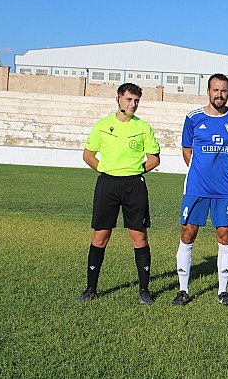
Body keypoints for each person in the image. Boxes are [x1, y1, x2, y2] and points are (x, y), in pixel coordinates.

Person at [78, 83, 161, 304]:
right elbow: (88, 155)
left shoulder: (143, 127)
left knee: (139, 236)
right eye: (128, 100)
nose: (132, 104)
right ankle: (90, 288)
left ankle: (144, 290)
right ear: (118, 99)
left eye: (136, 101)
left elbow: (154, 159)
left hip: (134, 186)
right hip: (107, 185)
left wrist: (134, 172)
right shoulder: (103, 125)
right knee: (100, 236)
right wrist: (107, 171)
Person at [173, 74, 228, 306]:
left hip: (223, 188)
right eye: (215, 90)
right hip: (196, 187)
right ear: (208, 91)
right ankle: (183, 290)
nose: (219, 94)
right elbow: (187, 150)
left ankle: (223, 292)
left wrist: (222, 171)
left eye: (223, 91)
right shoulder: (193, 118)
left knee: (224, 236)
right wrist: (200, 172)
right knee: (188, 233)